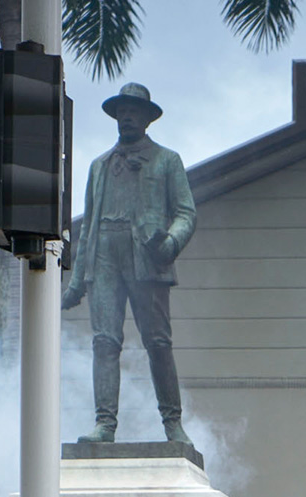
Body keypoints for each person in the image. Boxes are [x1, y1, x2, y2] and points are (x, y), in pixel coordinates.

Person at [62, 82, 197, 445]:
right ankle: (105, 424)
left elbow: (186, 213)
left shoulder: (167, 160)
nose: (126, 117)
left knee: (158, 342)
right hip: (104, 255)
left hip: (146, 257)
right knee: (104, 342)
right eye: (121, 111)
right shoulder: (100, 166)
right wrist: (77, 282)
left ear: (147, 119)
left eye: (133, 111)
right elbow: (87, 226)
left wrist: (169, 244)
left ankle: (173, 424)